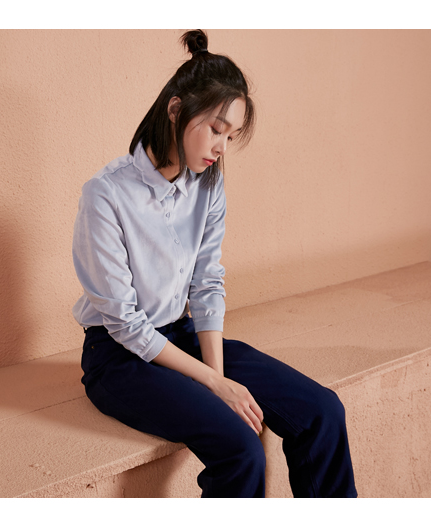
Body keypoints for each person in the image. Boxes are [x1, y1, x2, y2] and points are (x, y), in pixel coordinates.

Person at [71, 29, 357, 498]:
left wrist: (218, 376)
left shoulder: (208, 184)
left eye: (231, 135)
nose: (222, 146)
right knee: (240, 446)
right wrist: (213, 384)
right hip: (117, 356)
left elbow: (206, 282)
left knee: (322, 411)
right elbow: (123, 322)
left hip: (180, 334)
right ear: (176, 110)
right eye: (216, 129)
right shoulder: (106, 195)